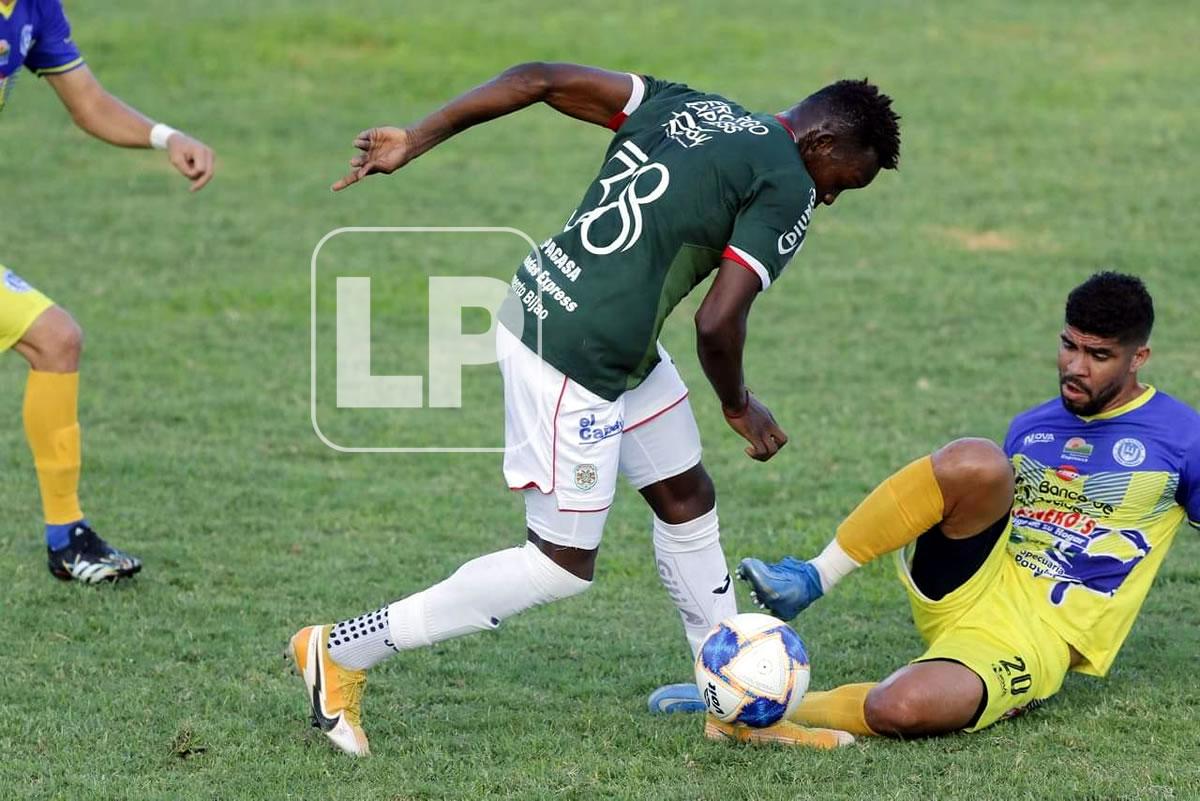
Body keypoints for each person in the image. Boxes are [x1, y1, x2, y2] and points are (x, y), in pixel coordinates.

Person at [292, 61, 900, 756]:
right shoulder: (788, 183)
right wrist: (739, 405)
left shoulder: (691, 104)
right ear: (823, 143)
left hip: (568, 312)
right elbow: (716, 324)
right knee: (556, 566)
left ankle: (733, 699)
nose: (829, 200)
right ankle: (339, 651)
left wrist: (416, 138)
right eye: (842, 183)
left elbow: (540, 77)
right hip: (575, 356)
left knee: (685, 496)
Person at [723, 271, 1199, 747]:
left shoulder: (1181, 439)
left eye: (1099, 356)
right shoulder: (1033, 426)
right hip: (971, 582)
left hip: (1037, 634)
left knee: (900, 708)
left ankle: (751, 699)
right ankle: (814, 576)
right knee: (979, 459)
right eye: (1069, 345)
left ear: (1139, 358)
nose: (1076, 366)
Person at [1, 0, 215, 583]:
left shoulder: (34, 8)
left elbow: (88, 102)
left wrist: (164, 136)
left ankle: (66, 537)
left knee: (56, 339)